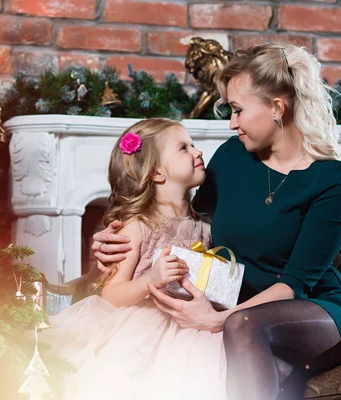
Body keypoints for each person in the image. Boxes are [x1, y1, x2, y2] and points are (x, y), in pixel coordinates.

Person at [92, 43, 341, 400]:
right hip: (240, 313)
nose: (232, 122)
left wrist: (220, 319)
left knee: (243, 325)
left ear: (276, 108)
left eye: (237, 110)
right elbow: (185, 221)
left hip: (320, 313)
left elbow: (295, 284)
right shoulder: (231, 156)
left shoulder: (333, 178)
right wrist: (116, 239)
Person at [46, 118, 228, 400]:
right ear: (156, 172)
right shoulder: (138, 225)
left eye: (193, 145)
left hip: (191, 326)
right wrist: (149, 280)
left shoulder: (205, 225)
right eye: (184, 148)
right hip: (142, 328)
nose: (198, 152)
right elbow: (111, 294)